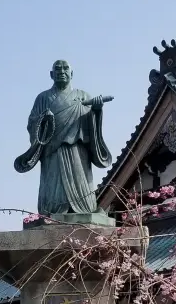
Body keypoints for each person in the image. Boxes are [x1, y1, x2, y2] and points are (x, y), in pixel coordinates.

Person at [14, 60, 112, 216]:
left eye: (66, 68)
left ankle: (85, 208)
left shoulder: (83, 96)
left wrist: (96, 111)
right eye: (57, 69)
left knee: (81, 183)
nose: (62, 71)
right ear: (51, 74)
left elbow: (91, 127)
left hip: (78, 150)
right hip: (52, 151)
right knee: (53, 188)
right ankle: (52, 210)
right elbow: (32, 123)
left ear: (72, 74)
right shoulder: (43, 98)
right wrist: (44, 120)